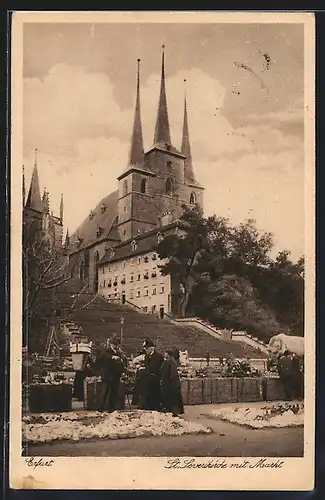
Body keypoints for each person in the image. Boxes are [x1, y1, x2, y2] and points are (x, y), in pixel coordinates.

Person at [98, 335, 126, 412]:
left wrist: (122, 371)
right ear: (110, 344)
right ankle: (101, 408)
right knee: (104, 392)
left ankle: (111, 408)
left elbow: (121, 363)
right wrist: (112, 357)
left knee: (114, 393)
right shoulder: (106, 351)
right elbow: (104, 356)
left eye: (116, 344)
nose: (115, 346)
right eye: (114, 344)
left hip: (115, 375)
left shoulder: (119, 353)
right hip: (106, 375)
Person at [141, 338, 164, 410]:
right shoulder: (146, 356)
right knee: (148, 395)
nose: (145, 350)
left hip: (155, 380)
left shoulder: (159, 357)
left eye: (146, 348)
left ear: (151, 348)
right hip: (148, 379)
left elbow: (161, 369)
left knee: (155, 396)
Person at [161, 348, 184, 417]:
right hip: (169, 383)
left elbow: (172, 374)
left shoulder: (170, 362)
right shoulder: (169, 361)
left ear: (168, 354)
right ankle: (171, 410)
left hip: (170, 384)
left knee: (172, 398)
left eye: (165, 353)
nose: (164, 354)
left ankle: (174, 411)